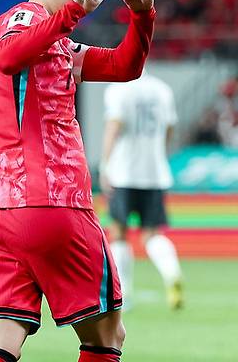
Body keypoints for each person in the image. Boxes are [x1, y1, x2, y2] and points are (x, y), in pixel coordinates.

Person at [0, 0, 155, 362]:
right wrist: (72, 11)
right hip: (52, 206)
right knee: (106, 335)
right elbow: (11, 56)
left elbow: (125, 67)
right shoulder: (22, 20)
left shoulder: (59, 44)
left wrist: (142, 16)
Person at [99, 73, 183, 311]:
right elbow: (168, 130)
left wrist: (105, 165)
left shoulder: (118, 89)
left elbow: (114, 126)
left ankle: (124, 294)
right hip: (155, 172)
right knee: (152, 234)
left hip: (124, 171)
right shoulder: (162, 89)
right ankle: (172, 273)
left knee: (119, 232)